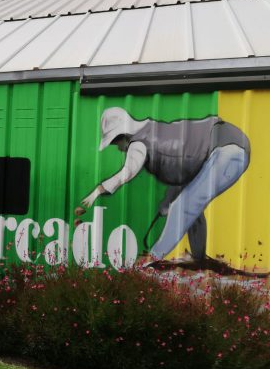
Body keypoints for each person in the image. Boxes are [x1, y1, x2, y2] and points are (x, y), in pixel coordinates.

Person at [80, 107, 250, 264]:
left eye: (115, 142)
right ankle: (198, 258)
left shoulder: (138, 143)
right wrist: (167, 202)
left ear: (122, 135)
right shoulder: (154, 131)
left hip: (227, 149)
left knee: (184, 206)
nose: (118, 148)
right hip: (227, 145)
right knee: (190, 205)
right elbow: (182, 176)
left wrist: (97, 191)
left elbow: (127, 173)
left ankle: (153, 258)